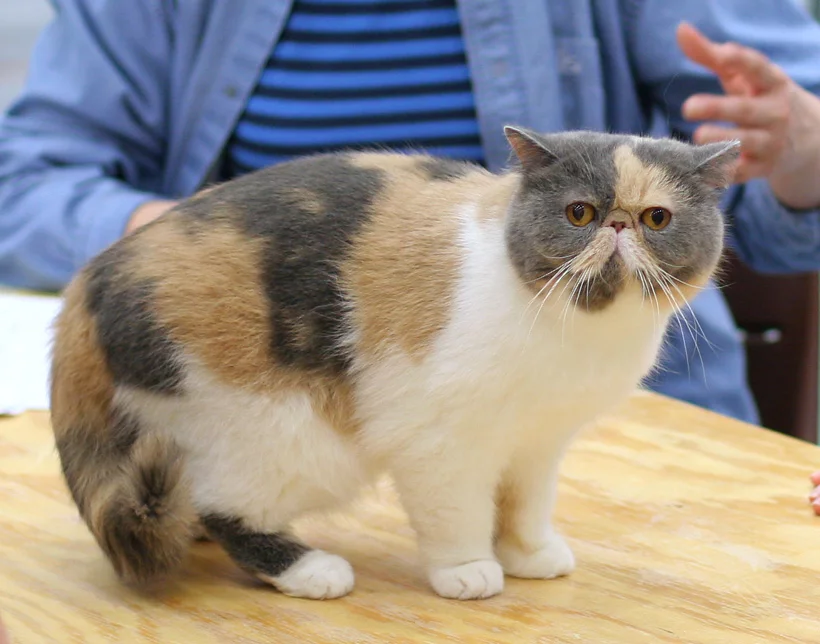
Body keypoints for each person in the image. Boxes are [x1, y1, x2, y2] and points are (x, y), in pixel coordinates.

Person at [2, 0, 820, 428]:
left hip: (617, 411)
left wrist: (803, 151)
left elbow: (778, 182)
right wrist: (178, 244)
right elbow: (26, 176)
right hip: (277, 407)